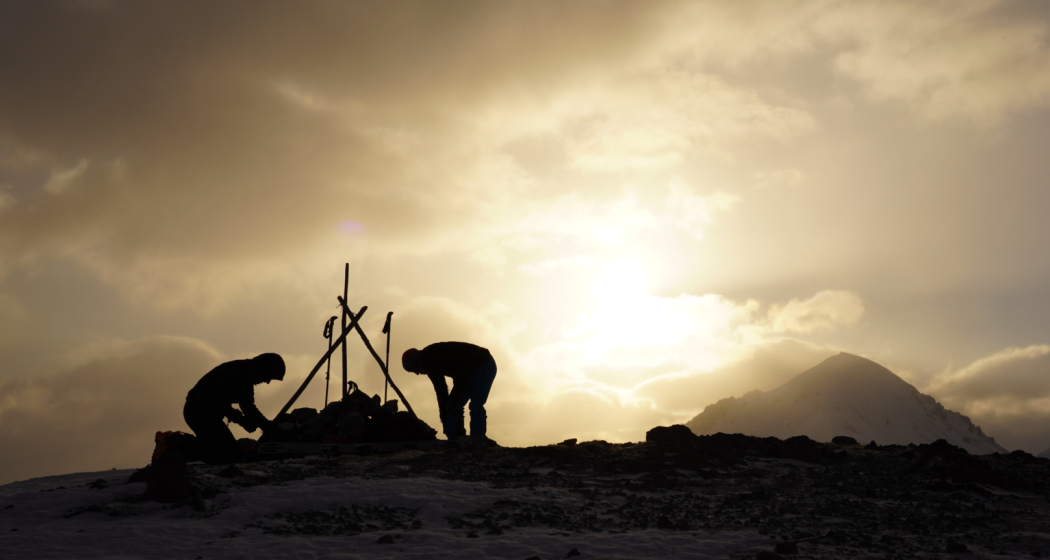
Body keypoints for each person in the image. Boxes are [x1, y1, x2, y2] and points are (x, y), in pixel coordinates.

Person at [183, 353, 285, 464]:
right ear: (263, 369)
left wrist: (243, 421)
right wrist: (270, 428)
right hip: (199, 413)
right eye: (269, 376)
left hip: (203, 412)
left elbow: (222, 403)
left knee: (227, 451)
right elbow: (248, 408)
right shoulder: (243, 373)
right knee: (226, 453)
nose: (267, 381)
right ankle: (174, 445)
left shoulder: (242, 370)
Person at [402, 342, 497, 447]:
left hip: (483, 365)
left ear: (419, 363)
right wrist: (444, 416)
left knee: (476, 404)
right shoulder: (429, 365)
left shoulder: (434, 357)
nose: (417, 373)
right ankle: (457, 439)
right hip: (466, 372)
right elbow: (441, 392)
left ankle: (478, 439)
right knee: (451, 406)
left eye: (415, 370)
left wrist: (455, 402)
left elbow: (460, 374)